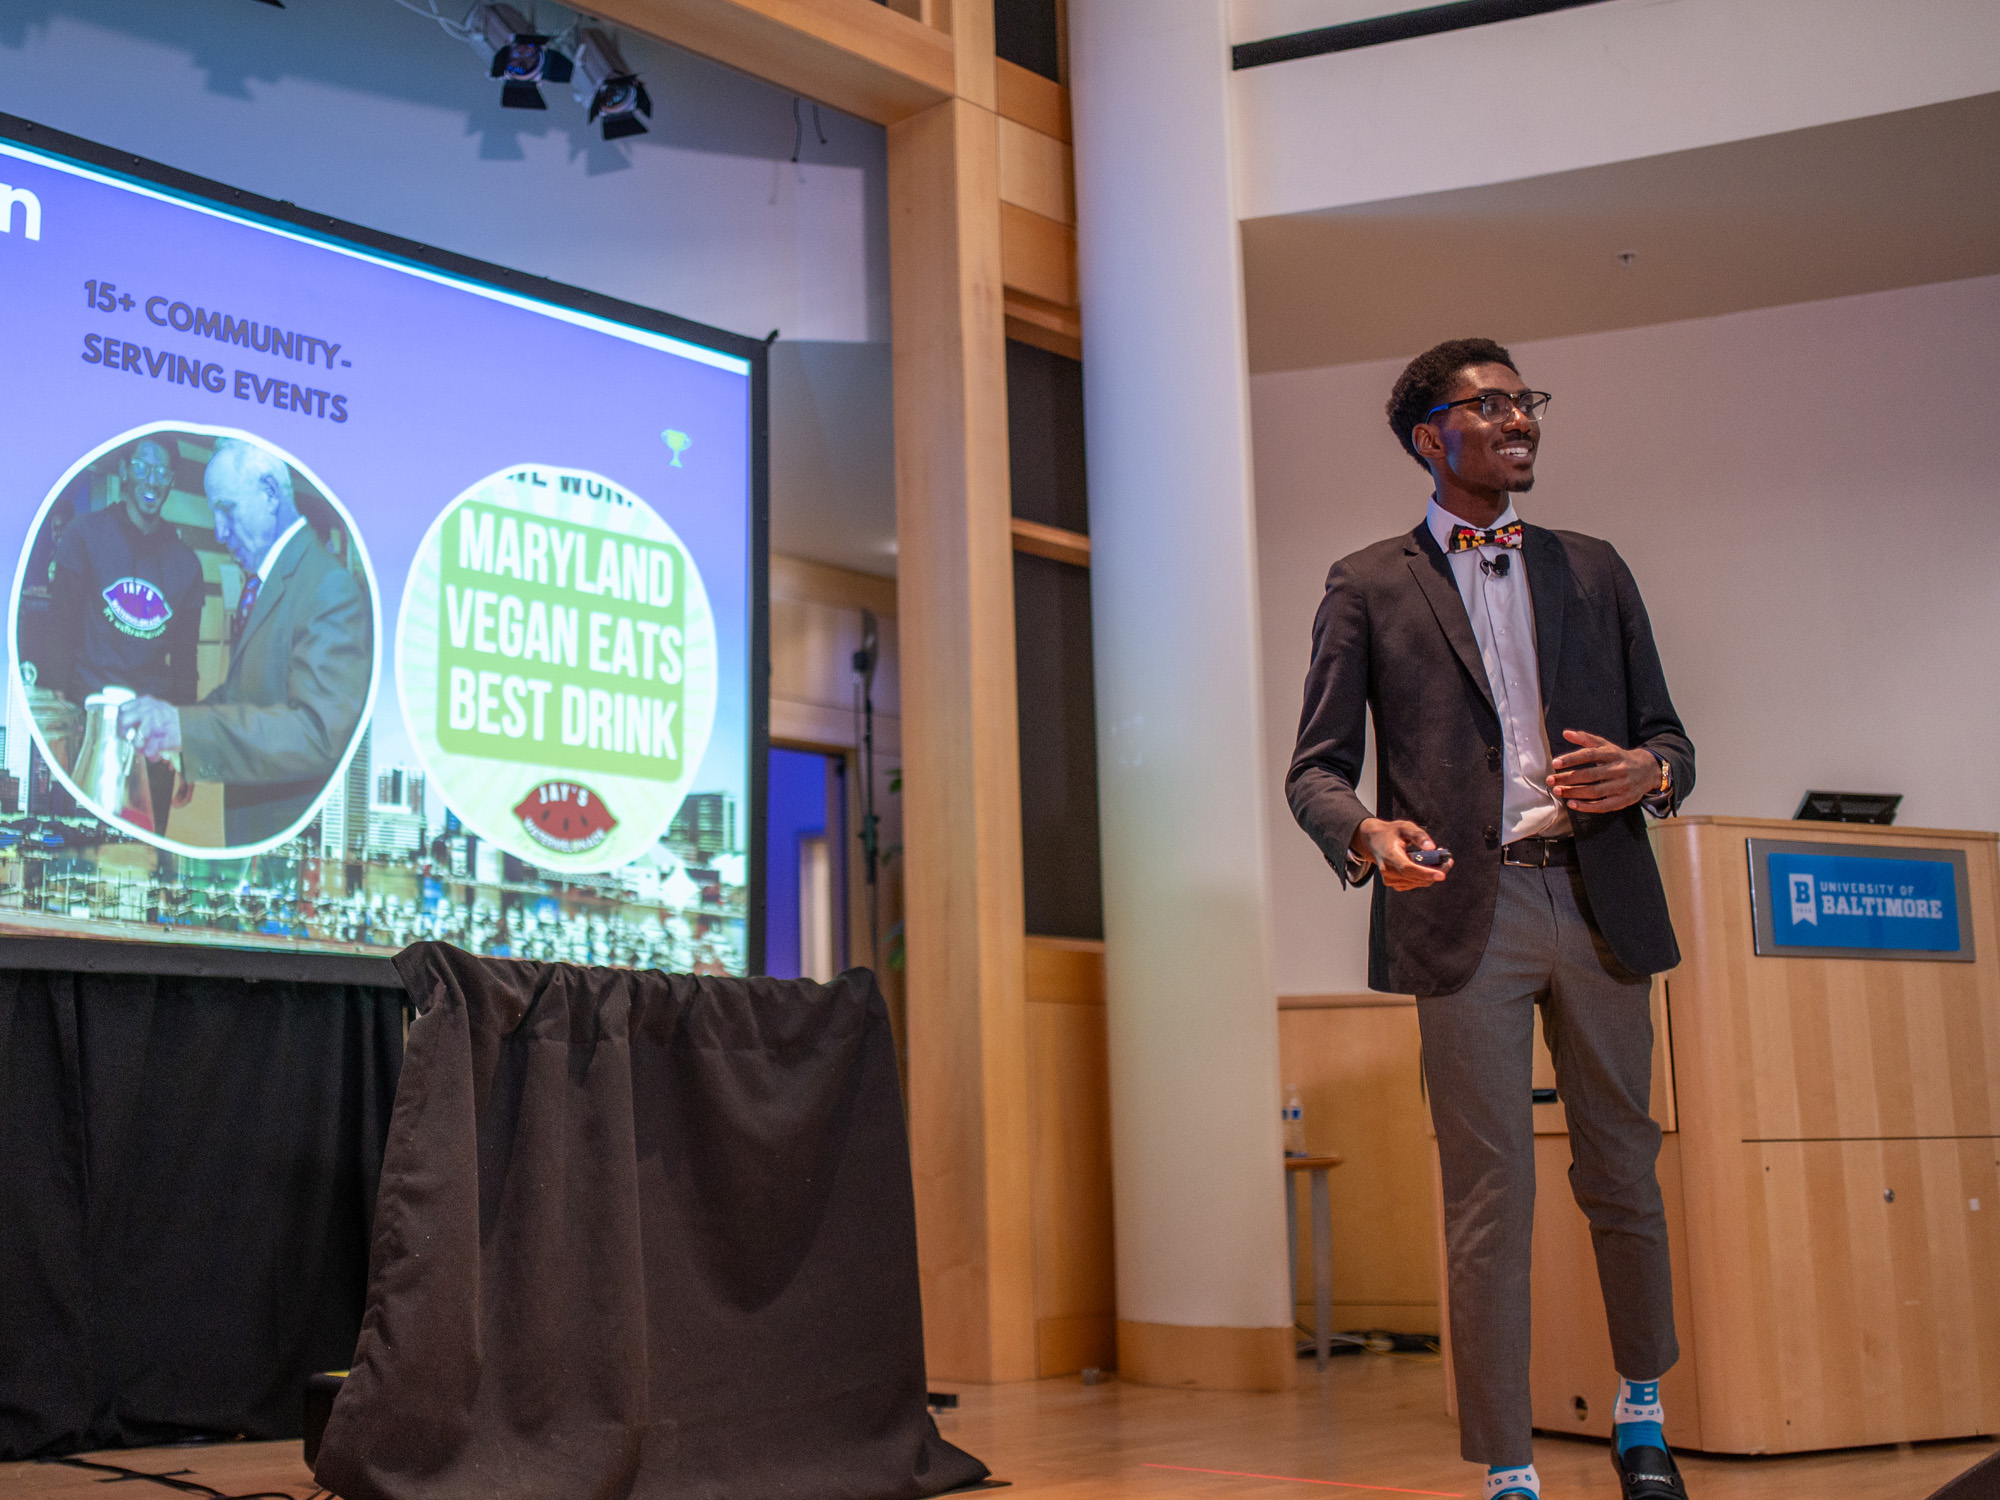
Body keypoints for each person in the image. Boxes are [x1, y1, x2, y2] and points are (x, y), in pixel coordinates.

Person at [1287, 339, 1694, 1500]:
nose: (1519, 419)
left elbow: (1672, 737)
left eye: (1525, 400)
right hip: (1464, 911)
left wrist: (1648, 775)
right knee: (1487, 1197)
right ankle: (1507, 1471)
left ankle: (1640, 1416)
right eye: (1491, 404)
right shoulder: (1366, 582)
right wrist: (1365, 832)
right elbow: (1313, 771)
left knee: (1623, 1167)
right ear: (1430, 435)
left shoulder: (1595, 569)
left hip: (1600, 896)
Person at [120, 438, 371, 847]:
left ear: (270, 493)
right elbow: (244, 695)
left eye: (226, 509)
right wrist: (176, 729)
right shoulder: (272, 582)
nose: (219, 533)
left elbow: (316, 732)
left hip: (289, 848)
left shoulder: (329, 587)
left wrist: (186, 729)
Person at [40, 437, 204, 834]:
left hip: (150, 737)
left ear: (171, 481)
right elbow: (59, 630)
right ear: (124, 472)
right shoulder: (85, 535)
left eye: (163, 471)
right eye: (144, 468)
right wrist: (58, 733)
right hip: (86, 724)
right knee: (77, 847)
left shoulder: (186, 564)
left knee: (142, 851)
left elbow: (185, 665)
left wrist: (189, 750)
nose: (153, 480)